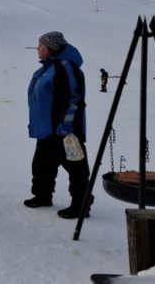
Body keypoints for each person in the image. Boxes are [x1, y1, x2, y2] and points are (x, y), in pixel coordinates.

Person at [25, 31, 91, 219]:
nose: (37, 49)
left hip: (64, 130)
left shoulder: (65, 67)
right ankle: (43, 195)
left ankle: (81, 204)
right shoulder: (48, 67)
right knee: (42, 164)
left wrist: (66, 125)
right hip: (46, 129)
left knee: (75, 167)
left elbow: (74, 97)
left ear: (51, 48)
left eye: (40, 45)